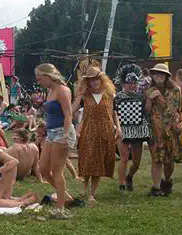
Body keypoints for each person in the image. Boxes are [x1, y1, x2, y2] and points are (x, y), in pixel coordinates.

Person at [73, 66, 120, 203]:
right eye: (91, 80)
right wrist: (79, 96)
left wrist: (119, 127)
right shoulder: (85, 96)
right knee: (88, 158)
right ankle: (85, 187)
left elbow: (114, 113)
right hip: (89, 129)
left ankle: (92, 193)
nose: (94, 82)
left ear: (102, 79)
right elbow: (73, 110)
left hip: (105, 130)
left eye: (96, 79)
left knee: (99, 161)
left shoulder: (110, 94)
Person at [144, 63, 182, 197]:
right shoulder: (149, 90)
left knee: (169, 160)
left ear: (166, 76)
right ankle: (156, 188)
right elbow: (146, 112)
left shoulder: (176, 90)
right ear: (153, 75)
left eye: (161, 74)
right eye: (156, 74)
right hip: (156, 130)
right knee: (156, 159)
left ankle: (167, 181)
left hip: (172, 129)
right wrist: (150, 99)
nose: (158, 76)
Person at [35, 63, 74, 218]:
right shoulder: (50, 91)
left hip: (61, 132)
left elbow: (68, 114)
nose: (38, 82)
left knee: (57, 171)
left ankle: (60, 208)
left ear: (48, 76)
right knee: (43, 170)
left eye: (39, 79)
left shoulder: (63, 90)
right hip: (51, 132)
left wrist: (66, 136)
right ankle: (64, 195)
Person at [115, 72, 151, 191]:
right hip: (123, 129)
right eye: (129, 83)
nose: (131, 85)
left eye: (134, 83)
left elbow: (146, 112)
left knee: (136, 162)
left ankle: (129, 176)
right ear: (124, 84)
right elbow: (113, 113)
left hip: (137, 130)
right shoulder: (118, 97)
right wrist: (116, 128)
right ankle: (122, 185)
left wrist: (149, 98)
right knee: (124, 158)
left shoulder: (141, 97)